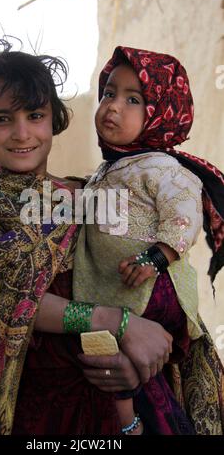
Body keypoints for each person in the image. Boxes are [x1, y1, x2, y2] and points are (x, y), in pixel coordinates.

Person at [0, 39, 172, 435]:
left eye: (35, 114)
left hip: (103, 388)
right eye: (2, 119)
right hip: (30, 393)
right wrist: (119, 323)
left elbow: (128, 276)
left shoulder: (86, 195)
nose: (21, 133)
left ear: (54, 119)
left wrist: (131, 363)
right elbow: (3, 295)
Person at [73, 46, 224, 435]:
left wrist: (156, 258)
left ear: (159, 114)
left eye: (133, 99)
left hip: (154, 289)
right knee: (118, 369)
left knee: (129, 369)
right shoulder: (112, 166)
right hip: (124, 294)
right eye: (109, 92)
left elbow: (184, 214)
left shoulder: (161, 167)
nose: (113, 106)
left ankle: (138, 425)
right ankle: (132, 422)